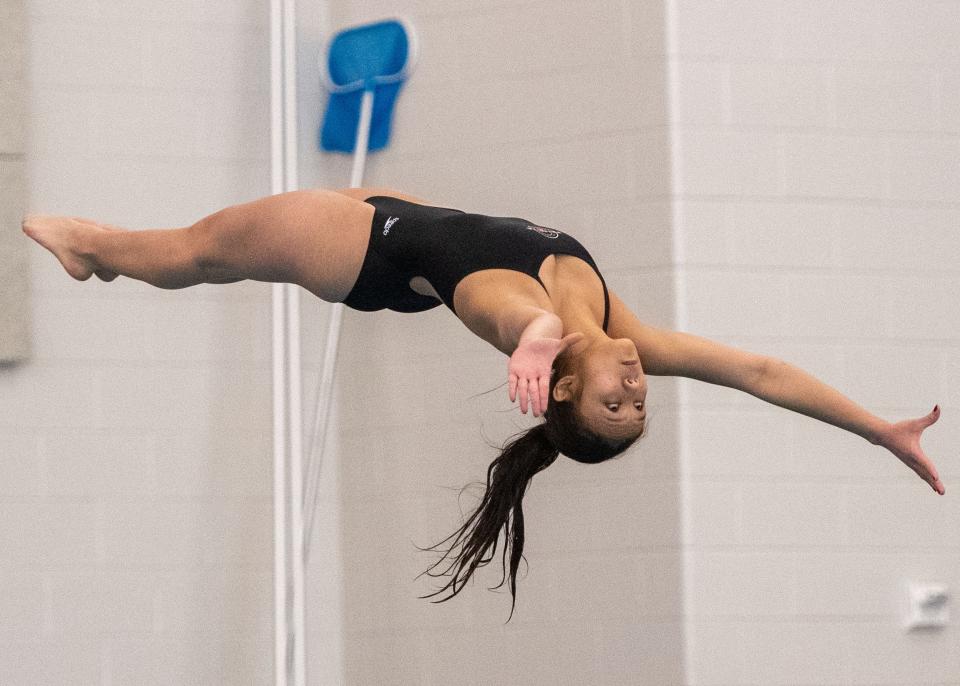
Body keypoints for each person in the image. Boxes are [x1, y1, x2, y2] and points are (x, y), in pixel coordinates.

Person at [22, 186, 946, 621]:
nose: (638, 388)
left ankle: (90, 248)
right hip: (408, 211)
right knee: (207, 251)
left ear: (568, 390)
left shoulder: (526, 325)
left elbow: (508, 313)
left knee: (201, 252)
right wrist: (875, 427)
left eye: (617, 405)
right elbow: (759, 372)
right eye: (642, 405)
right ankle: (100, 252)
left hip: (367, 248)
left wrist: (537, 339)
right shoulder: (619, 324)